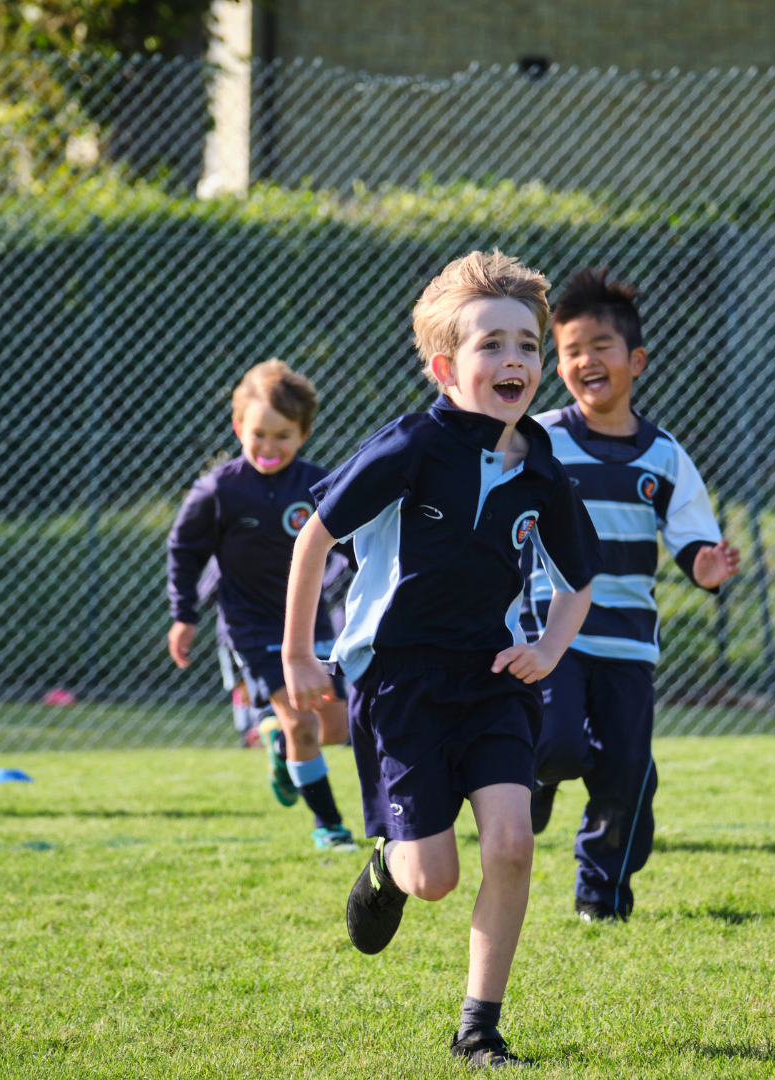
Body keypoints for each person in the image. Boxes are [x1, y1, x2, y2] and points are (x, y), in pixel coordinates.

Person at [282, 251, 600, 1067]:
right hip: (401, 683)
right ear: (445, 367)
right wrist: (297, 654)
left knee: (513, 843)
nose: (515, 361)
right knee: (434, 879)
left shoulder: (541, 469)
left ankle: (479, 1027)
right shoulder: (411, 447)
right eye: (491, 345)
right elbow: (317, 533)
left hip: (494, 679)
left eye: (528, 345)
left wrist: (548, 649)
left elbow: (579, 578)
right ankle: (387, 868)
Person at [524, 267, 740, 921]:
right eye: (570, 352)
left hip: (626, 641)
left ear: (635, 359)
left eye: (600, 346)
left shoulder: (665, 456)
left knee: (626, 775)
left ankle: (602, 896)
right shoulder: (540, 440)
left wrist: (705, 567)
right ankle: (535, 777)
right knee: (556, 745)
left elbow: (692, 539)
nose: (586, 360)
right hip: (552, 632)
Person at [167, 359, 358, 852]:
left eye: (283, 436)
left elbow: (352, 545)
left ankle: (276, 743)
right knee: (301, 723)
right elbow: (184, 551)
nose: (269, 448)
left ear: (304, 433)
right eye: (258, 435)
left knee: (335, 726)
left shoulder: (319, 486)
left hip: (310, 619)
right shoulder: (219, 490)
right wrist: (183, 615)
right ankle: (329, 827)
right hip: (250, 625)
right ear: (238, 428)